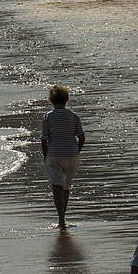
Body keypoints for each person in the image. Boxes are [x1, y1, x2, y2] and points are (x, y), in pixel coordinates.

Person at [40, 84, 85, 229]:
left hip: (54, 154)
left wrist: (46, 156)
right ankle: (63, 218)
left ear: (51, 100)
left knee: (56, 187)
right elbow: (81, 137)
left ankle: (61, 219)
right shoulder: (74, 116)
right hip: (72, 154)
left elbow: (44, 139)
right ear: (67, 99)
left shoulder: (48, 117)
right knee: (66, 187)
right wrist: (76, 151)